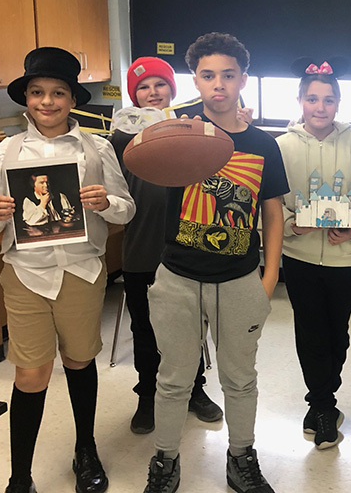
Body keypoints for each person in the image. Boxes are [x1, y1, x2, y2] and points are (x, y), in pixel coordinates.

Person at [0, 47, 135, 493]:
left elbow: (125, 210)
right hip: (26, 274)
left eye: (58, 92)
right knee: (30, 373)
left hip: (81, 272)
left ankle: (86, 451)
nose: (47, 101)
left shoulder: (96, 147)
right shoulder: (8, 150)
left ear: (72, 98)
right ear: (26, 97)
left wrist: (106, 203)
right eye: (37, 92)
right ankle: (20, 475)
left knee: (80, 361)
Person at [143, 32, 289, 493]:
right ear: (196, 81)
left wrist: (268, 277)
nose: (219, 84)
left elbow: (272, 213)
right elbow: (130, 134)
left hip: (240, 279)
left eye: (228, 75)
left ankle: (241, 458)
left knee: (240, 380)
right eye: (208, 75)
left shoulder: (263, 144)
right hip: (178, 277)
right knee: (173, 380)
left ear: (243, 79)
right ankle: (165, 461)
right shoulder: (174, 132)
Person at [276, 58, 351, 449]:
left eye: (327, 99)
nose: (319, 107)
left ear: (338, 103)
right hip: (300, 256)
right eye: (312, 99)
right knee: (309, 331)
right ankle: (322, 405)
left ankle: (324, 396)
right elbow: (270, 201)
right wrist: (294, 224)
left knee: (336, 332)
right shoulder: (282, 147)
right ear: (300, 101)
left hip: (347, 259)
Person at [110, 57, 223, 435]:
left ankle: (194, 390)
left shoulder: (191, 130)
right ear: (133, 94)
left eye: (160, 85)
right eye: (144, 87)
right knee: (145, 329)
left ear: (173, 91)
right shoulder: (120, 139)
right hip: (142, 250)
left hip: (189, 249)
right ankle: (147, 395)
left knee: (191, 327)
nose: (153, 92)